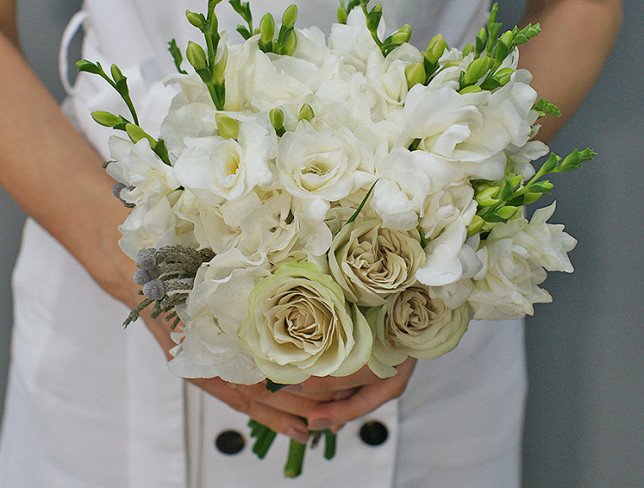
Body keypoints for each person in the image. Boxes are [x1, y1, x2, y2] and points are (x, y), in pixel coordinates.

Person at [0, 0, 622, 486]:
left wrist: (448, 181)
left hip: (430, 283)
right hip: (108, 266)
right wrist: (154, 278)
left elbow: (585, 6)